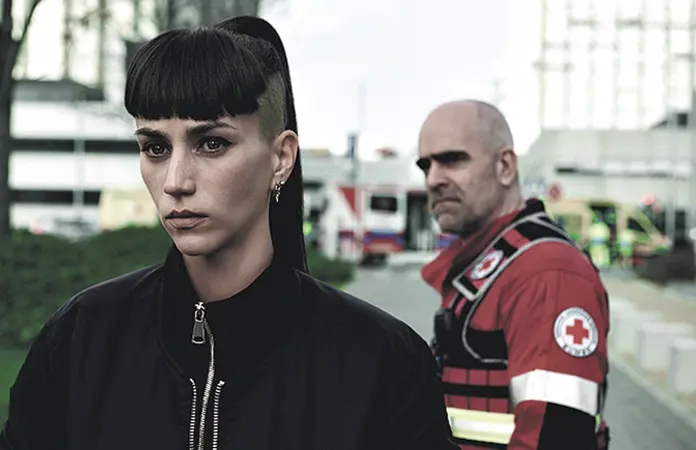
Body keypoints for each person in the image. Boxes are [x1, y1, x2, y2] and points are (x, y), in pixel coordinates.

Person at [0, 17, 456, 450]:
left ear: (281, 157)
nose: (176, 181)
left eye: (211, 143)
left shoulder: (383, 363)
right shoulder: (79, 339)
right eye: (155, 147)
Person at [416, 100, 611, 450]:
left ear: (505, 166)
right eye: (425, 165)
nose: (433, 180)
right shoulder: (491, 263)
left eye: (452, 160)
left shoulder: (547, 272)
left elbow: (556, 438)